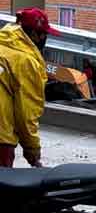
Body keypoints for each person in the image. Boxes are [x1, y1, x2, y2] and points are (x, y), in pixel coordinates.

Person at [0, 9, 58, 168]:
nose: (45, 39)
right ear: (33, 34)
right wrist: (32, 151)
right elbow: (26, 113)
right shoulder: (26, 61)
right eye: (43, 34)